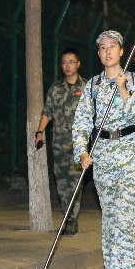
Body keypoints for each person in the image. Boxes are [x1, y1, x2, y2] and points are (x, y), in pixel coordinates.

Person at [73, 30, 135, 269]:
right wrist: (81, 152)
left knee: (125, 217)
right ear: (98, 53)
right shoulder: (92, 85)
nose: (107, 51)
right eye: (103, 48)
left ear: (121, 51)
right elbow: (81, 122)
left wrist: (123, 89)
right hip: (102, 155)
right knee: (110, 218)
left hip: (128, 153)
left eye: (112, 46)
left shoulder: (134, 80)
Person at [36, 47, 86, 236]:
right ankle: (67, 217)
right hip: (58, 143)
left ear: (78, 64)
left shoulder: (86, 87)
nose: (67, 66)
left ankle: (71, 220)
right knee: (62, 182)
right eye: (64, 62)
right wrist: (40, 132)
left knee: (75, 182)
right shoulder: (56, 87)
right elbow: (47, 111)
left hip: (78, 145)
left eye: (71, 62)